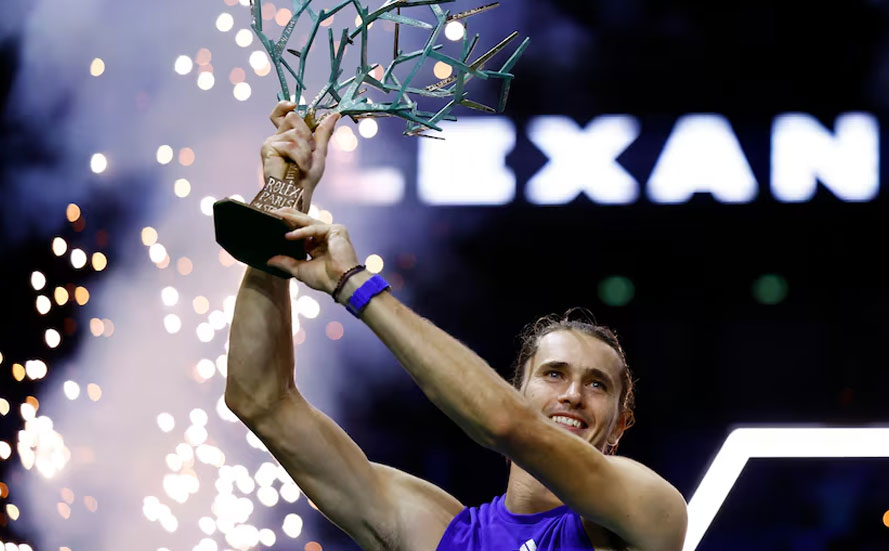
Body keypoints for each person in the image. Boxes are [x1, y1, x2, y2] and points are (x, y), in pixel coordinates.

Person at [225, 101, 688, 551]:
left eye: (597, 385)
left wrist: (354, 285)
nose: (572, 395)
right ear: (517, 389)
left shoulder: (648, 513)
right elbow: (262, 402)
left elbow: (507, 425)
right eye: (553, 373)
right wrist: (281, 207)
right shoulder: (439, 532)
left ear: (620, 426)